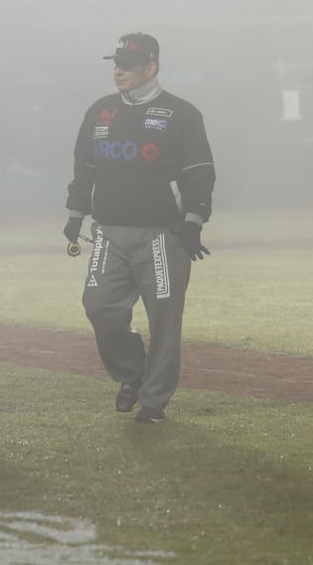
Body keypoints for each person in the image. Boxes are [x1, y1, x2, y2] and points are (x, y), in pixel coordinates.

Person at [64, 33, 216, 423]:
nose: (119, 71)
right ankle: (132, 374)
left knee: (164, 319)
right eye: (116, 63)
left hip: (162, 236)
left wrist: (194, 220)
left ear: (151, 67)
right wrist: (76, 213)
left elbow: (199, 173)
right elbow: (85, 168)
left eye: (129, 65)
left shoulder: (182, 114)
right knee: (99, 307)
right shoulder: (100, 111)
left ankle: (154, 401)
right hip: (109, 233)